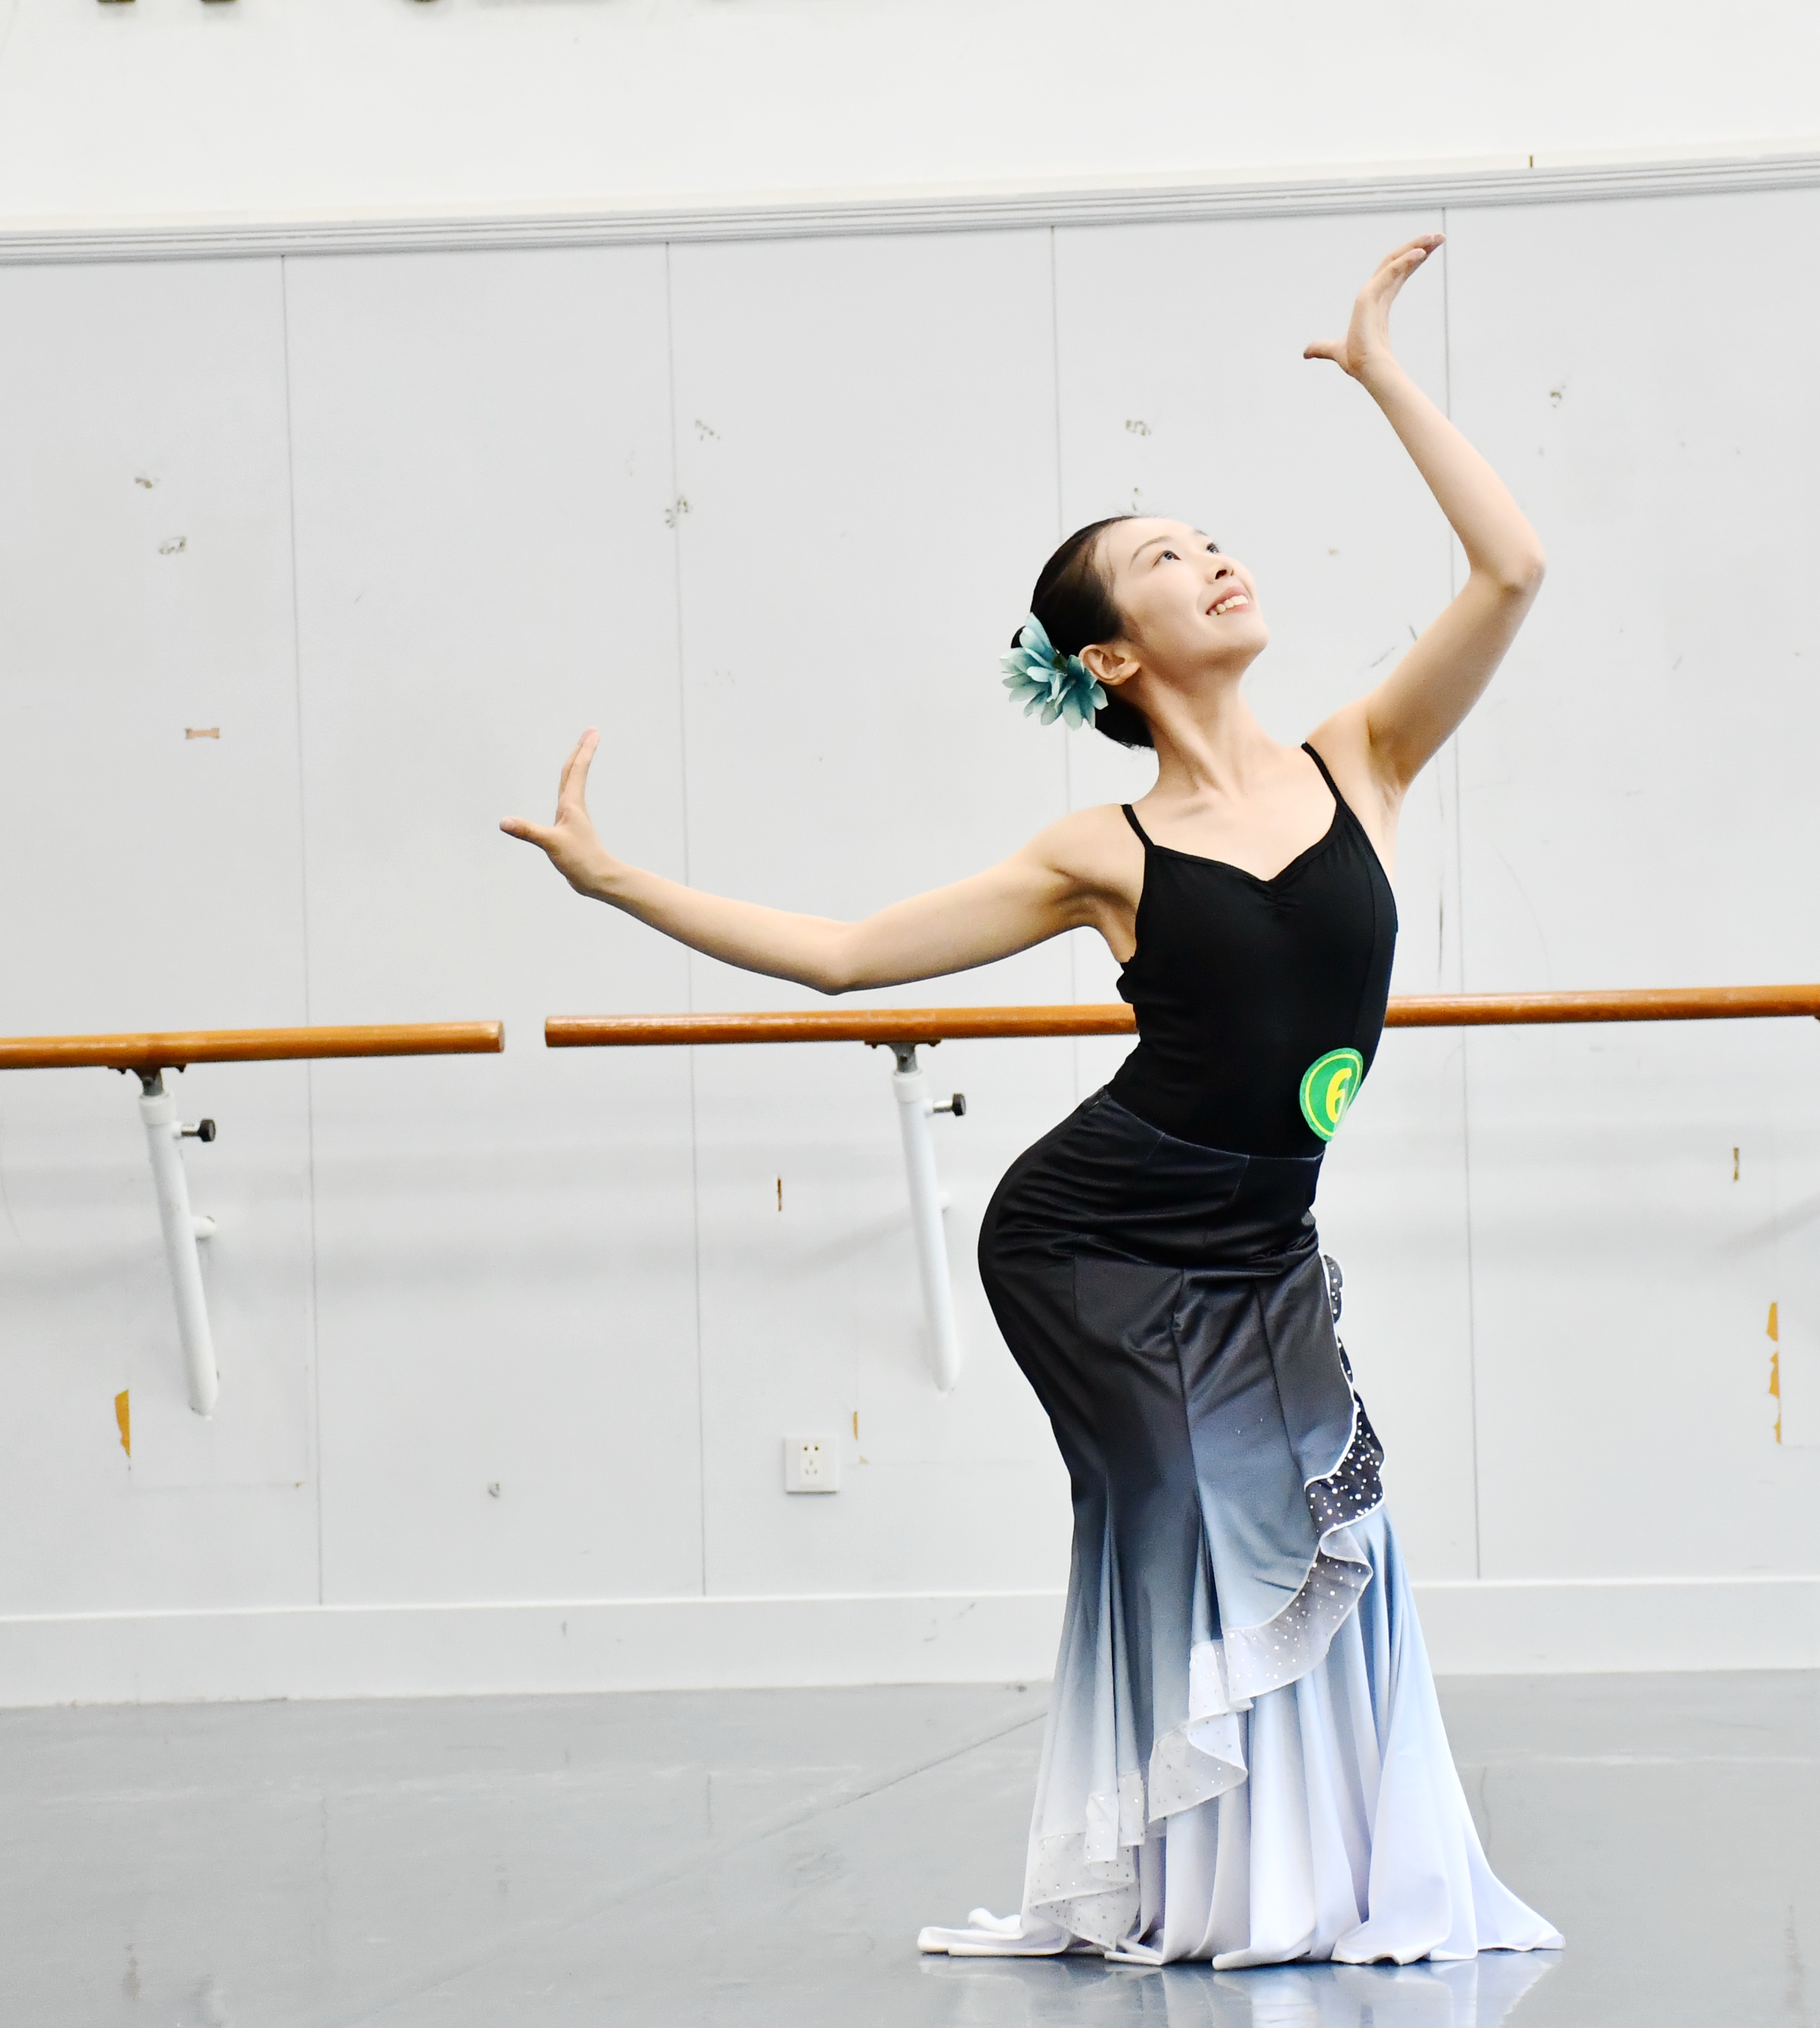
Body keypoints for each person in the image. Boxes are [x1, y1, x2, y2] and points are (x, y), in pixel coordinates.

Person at [502, 234, 1559, 1968]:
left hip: (1261, 1237)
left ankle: (1332, 1871)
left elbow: (1512, 569)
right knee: (1185, 1527)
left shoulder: (1360, 758)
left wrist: (1383, 376)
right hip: (1095, 1246)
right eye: (1166, 560)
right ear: (1115, 659)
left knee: (1328, 1518)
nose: (1214, 560)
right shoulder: (1103, 850)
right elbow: (849, 957)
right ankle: (1178, 1888)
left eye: (1213, 539)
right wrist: (622, 887)